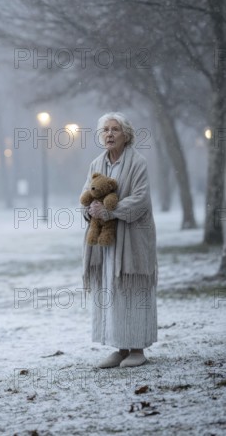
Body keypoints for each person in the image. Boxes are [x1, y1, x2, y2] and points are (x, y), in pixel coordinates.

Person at [80, 112, 158, 368]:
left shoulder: (138, 163)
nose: (109, 134)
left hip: (133, 238)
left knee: (132, 290)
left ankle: (138, 349)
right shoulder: (96, 164)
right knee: (111, 291)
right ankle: (120, 347)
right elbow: (86, 195)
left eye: (115, 129)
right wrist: (90, 210)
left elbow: (141, 200)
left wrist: (111, 211)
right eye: (105, 130)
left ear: (126, 135)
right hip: (106, 242)